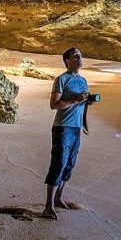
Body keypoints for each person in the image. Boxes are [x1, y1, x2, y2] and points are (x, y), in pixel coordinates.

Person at [42, 47, 92, 219]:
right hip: (62, 127)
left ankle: (59, 198)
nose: (79, 58)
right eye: (75, 56)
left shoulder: (84, 80)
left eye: (80, 55)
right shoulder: (61, 79)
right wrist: (74, 100)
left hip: (76, 127)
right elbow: (54, 104)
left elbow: (82, 105)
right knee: (58, 164)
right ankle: (48, 206)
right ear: (67, 61)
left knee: (70, 164)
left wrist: (85, 111)